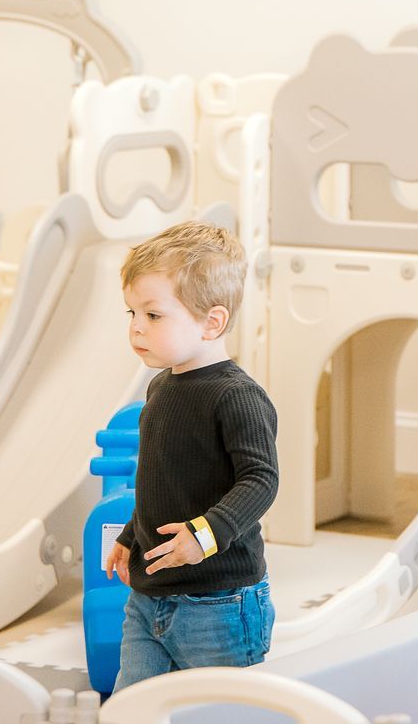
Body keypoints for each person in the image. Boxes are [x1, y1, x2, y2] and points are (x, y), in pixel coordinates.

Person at [103, 220, 278, 691]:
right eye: (132, 314)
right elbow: (164, 480)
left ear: (212, 322)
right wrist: (129, 536)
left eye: (154, 316)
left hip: (216, 603)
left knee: (218, 708)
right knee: (132, 706)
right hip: (148, 596)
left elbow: (260, 480)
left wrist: (205, 535)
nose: (137, 327)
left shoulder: (235, 396)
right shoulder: (161, 387)